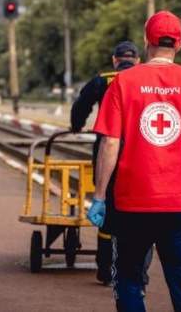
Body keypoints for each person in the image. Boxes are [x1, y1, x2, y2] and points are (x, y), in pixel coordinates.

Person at [87, 11, 181, 311]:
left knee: (128, 280)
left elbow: (110, 143)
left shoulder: (123, 83)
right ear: (179, 44)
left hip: (132, 204)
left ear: (146, 41)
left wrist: (100, 196)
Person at [71, 41, 143, 285]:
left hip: (106, 151)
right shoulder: (143, 78)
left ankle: (105, 270)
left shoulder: (103, 80)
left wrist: (76, 125)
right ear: (137, 61)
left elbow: (81, 104)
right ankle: (137, 273)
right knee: (137, 213)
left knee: (107, 212)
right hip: (139, 153)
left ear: (115, 60)